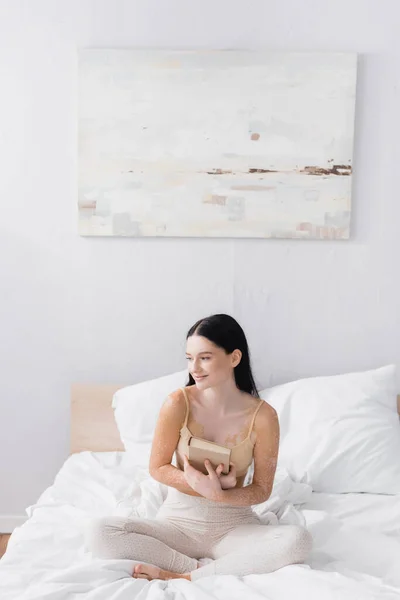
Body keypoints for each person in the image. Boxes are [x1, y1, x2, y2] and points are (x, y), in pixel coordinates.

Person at [85, 314, 312, 581]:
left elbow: (262, 490)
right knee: (100, 531)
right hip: (177, 525)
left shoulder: (263, 417)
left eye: (204, 357)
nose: (194, 367)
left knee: (299, 540)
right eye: (189, 358)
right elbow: (157, 467)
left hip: (234, 527)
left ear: (234, 358)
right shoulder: (177, 403)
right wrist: (192, 480)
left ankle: (187, 577)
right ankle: (194, 571)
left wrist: (220, 495)